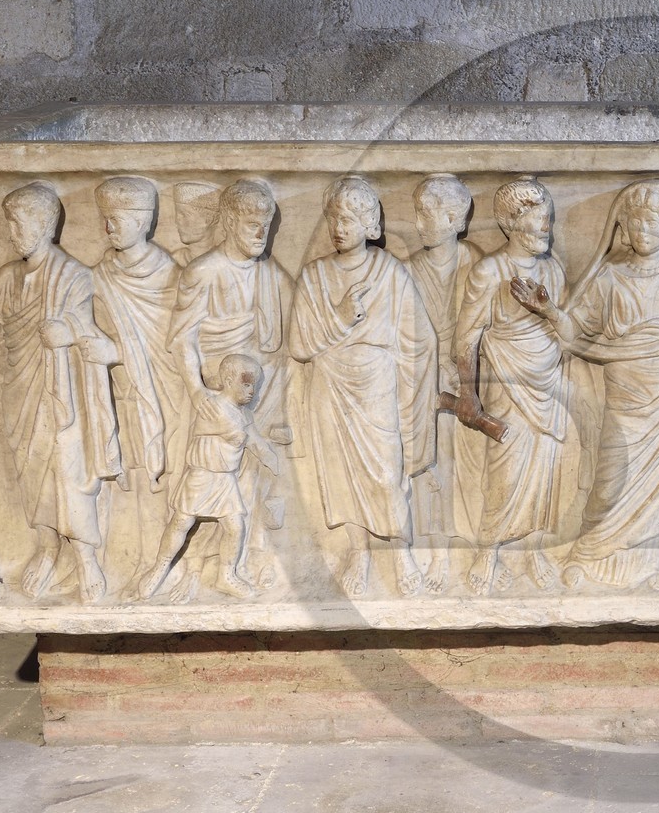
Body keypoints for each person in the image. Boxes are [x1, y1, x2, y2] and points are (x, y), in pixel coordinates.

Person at [512, 178, 659, 589]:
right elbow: (575, 329)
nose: (643, 234)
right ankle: (589, 551)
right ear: (624, 228)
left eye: (653, 226)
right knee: (612, 477)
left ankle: (651, 561)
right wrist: (548, 310)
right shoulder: (611, 277)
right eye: (636, 225)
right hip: (625, 393)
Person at [0, 181, 120, 602]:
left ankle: (87, 559)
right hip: (18, 391)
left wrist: (69, 332)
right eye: (8, 224)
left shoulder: (74, 276)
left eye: (17, 224)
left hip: (62, 395)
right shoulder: (9, 275)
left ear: (44, 223)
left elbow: (97, 335)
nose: (11, 233)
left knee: (69, 472)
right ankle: (48, 548)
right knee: (31, 472)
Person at [289, 176, 437, 597]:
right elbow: (299, 345)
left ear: (371, 225)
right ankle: (360, 552)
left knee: (386, 471)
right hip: (330, 383)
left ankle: (401, 552)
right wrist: (339, 318)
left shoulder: (389, 271)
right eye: (335, 218)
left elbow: (419, 337)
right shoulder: (316, 276)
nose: (340, 227)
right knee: (338, 473)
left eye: (350, 219)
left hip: (375, 382)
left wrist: (414, 389)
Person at [169, 178, 293, 563]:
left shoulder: (275, 276)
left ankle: (253, 551)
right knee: (212, 471)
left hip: (263, 384)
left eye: (267, 224)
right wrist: (196, 393)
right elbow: (181, 339)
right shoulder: (204, 272)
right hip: (216, 391)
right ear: (227, 221)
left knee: (254, 469)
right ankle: (198, 559)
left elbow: (300, 333)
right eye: (250, 223)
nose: (261, 233)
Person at [453, 178, 568, 594]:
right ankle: (489, 549)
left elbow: (566, 332)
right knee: (507, 470)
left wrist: (549, 309)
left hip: (549, 382)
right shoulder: (489, 271)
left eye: (549, 224)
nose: (546, 232)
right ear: (512, 224)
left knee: (545, 469)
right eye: (538, 224)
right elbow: (465, 336)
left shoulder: (554, 270)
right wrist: (468, 392)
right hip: (507, 379)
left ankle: (536, 549)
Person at [90, 177, 187, 574]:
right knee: (129, 478)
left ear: (143, 221)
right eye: (104, 219)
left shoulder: (169, 276)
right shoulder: (98, 275)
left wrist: (116, 351)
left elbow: (175, 341)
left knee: (165, 476)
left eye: (117, 219)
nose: (108, 228)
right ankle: (129, 562)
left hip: (168, 394)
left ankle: (174, 563)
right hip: (121, 396)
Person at [136, 354, 280, 602]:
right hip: (201, 476)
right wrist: (237, 434)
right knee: (181, 522)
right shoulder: (210, 406)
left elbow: (253, 441)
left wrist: (271, 458)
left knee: (235, 527)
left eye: (254, 385)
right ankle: (159, 567)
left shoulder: (242, 416)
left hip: (224, 481)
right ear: (227, 380)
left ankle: (226, 574)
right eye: (246, 383)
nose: (251, 391)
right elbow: (219, 427)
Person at [404, 173, 483, 580]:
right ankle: (434, 549)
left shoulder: (476, 261)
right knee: (428, 468)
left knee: (464, 467)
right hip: (423, 382)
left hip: (472, 379)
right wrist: (431, 372)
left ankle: (464, 544)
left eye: (426, 213)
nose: (418, 223)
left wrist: (463, 374)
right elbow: (401, 331)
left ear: (455, 218)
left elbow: (486, 321)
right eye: (417, 213)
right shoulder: (408, 269)